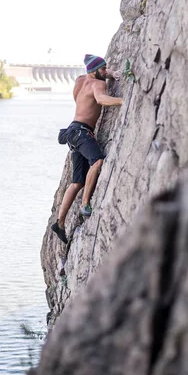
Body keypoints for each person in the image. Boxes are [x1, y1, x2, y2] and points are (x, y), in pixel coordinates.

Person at [51, 54, 123, 244]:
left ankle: (59, 222)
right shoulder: (98, 85)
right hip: (83, 133)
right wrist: (122, 101)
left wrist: (109, 73)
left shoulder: (80, 81)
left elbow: (94, 80)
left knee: (77, 182)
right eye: (103, 68)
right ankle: (85, 204)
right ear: (95, 70)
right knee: (97, 161)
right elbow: (101, 99)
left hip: (73, 131)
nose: (105, 71)